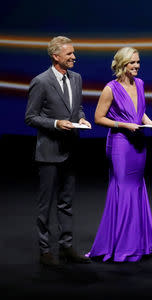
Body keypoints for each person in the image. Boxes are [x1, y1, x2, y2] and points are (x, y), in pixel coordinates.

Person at [86, 47, 152, 262]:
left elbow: (140, 110)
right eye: (132, 63)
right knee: (123, 189)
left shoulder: (140, 84)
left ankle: (139, 243)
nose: (136, 66)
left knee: (137, 188)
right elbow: (99, 118)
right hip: (120, 145)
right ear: (122, 64)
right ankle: (120, 245)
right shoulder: (110, 89)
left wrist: (149, 123)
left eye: (138, 62)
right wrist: (124, 125)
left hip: (138, 142)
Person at [25, 36, 92, 266]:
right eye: (69, 54)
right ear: (56, 56)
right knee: (46, 205)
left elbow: (77, 107)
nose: (74, 57)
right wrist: (56, 123)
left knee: (67, 202)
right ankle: (45, 251)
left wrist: (81, 118)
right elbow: (31, 117)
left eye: (73, 53)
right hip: (49, 152)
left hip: (70, 150)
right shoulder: (41, 81)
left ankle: (66, 248)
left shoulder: (77, 78)